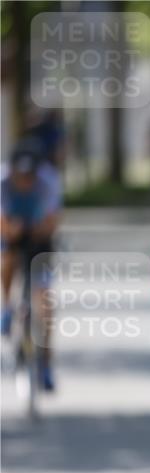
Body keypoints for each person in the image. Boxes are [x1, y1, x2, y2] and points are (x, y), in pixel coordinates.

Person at [1, 138, 62, 391]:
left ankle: (45, 364)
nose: (25, 181)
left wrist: (36, 231)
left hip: (40, 235)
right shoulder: (2, 181)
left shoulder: (49, 181)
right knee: (7, 259)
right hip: (11, 232)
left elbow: (53, 219)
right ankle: (6, 307)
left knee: (45, 301)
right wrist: (11, 231)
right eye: (21, 175)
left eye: (30, 176)